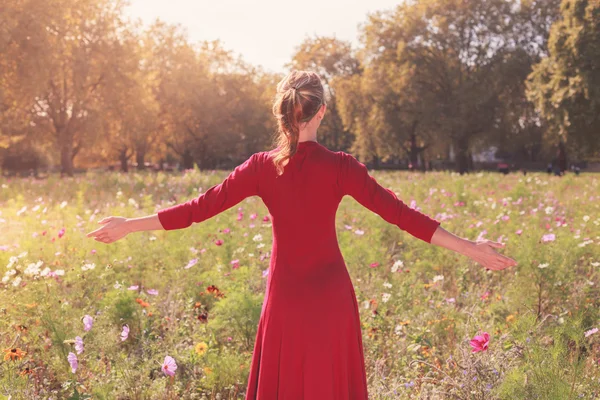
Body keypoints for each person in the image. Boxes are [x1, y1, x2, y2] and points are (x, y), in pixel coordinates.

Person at [86, 70, 517, 399]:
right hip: (331, 297)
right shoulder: (342, 167)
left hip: (287, 298)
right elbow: (403, 216)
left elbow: (196, 210)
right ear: (321, 112)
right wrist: (470, 248)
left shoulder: (260, 167)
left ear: (282, 111)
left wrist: (129, 225)